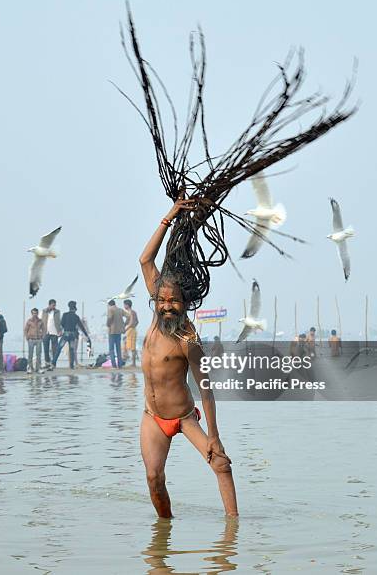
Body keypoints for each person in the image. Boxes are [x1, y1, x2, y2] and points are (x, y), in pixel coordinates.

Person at [138, 198, 238, 518]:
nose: (167, 306)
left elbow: (205, 388)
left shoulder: (188, 338)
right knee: (154, 479)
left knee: (221, 465)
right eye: (162, 300)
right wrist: (170, 215)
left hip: (183, 417)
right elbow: (145, 259)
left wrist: (215, 437)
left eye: (174, 301)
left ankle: (232, 531)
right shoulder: (157, 317)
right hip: (153, 417)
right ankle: (164, 532)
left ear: (185, 302)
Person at [51, 301, 91, 370]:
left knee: (59, 348)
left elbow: (62, 324)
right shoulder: (76, 317)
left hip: (66, 334)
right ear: (75, 309)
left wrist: (63, 329)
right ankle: (71, 366)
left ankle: (53, 363)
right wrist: (87, 335)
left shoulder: (65, 315)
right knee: (72, 350)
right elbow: (82, 327)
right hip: (73, 335)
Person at [107, 300, 128, 368]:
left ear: (109, 304)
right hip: (119, 332)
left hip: (112, 331)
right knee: (118, 349)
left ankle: (114, 365)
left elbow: (110, 318)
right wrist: (124, 324)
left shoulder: (110, 309)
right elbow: (129, 316)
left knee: (111, 349)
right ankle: (120, 365)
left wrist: (108, 324)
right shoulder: (120, 310)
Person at [41, 299, 62, 369]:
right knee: (45, 348)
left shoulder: (57, 312)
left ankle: (53, 363)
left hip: (54, 332)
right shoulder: (44, 311)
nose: (54, 306)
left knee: (54, 349)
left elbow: (59, 321)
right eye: (53, 305)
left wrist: (60, 331)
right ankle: (47, 363)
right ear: (49, 305)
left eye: (55, 305)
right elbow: (41, 321)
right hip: (45, 332)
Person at [24, 308, 45, 373]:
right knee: (30, 354)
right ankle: (30, 367)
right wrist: (27, 337)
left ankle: (38, 368)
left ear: (37, 313)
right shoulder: (29, 321)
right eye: (33, 313)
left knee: (39, 354)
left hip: (38, 339)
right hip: (31, 339)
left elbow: (44, 329)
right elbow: (25, 330)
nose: (34, 314)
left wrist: (42, 336)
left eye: (35, 313)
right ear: (31, 313)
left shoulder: (40, 321)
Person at [123, 299, 139, 367]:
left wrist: (126, 328)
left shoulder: (131, 312)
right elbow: (128, 322)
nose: (123, 306)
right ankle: (127, 360)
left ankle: (133, 363)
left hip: (131, 330)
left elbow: (132, 322)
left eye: (124, 304)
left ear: (127, 305)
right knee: (125, 344)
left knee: (132, 347)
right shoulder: (130, 312)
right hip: (131, 330)